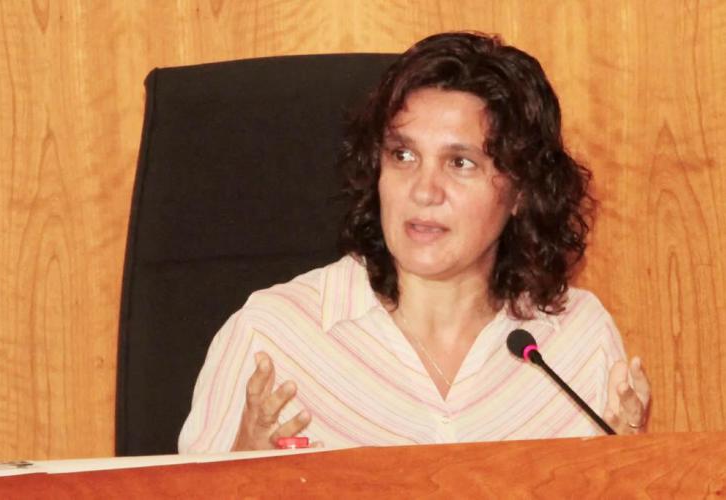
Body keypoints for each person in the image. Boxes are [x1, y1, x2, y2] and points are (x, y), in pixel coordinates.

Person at [178, 31, 650, 453]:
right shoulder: (274, 336)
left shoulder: (575, 342)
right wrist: (241, 465)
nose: (423, 191)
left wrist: (633, 470)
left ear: (521, 191)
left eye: (460, 163)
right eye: (403, 155)